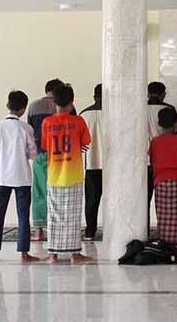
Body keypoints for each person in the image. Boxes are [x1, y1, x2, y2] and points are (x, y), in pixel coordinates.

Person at [42, 84, 93, 264]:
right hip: (74, 175)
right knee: (72, 215)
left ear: (54, 102)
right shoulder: (78, 121)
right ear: (72, 102)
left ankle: (52, 255)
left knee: (54, 214)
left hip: (54, 175)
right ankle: (74, 255)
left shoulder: (47, 123)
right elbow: (86, 144)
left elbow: (45, 147)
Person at [0, 90, 39, 263]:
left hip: (0, 176)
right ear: (23, 109)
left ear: (8, 105)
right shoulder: (25, 128)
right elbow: (33, 154)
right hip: (22, 177)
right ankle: (24, 254)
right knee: (23, 215)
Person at [26, 78, 63, 241]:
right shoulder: (66, 104)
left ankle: (39, 230)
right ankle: (58, 229)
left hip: (40, 153)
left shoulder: (34, 106)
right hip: (61, 155)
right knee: (60, 191)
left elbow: (30, 130)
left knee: (40, 191)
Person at [148, 106, 177, 245]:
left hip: (160, 182)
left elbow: (153, 160)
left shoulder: (154, 141)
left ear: (159, 124)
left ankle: (164, 241)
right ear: (175, 124)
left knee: (163, 214)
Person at [146, 81, 175, 223]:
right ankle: (164, 228)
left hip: (144, 160)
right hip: (163, 161)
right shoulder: (169, 109)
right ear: (163, 94)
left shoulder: (139, 109)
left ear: (147, 93)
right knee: (165, 200)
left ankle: (142, 229)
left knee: (144, 199)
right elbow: (175, 133)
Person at [79, 84, 103, 241]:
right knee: (116, 200)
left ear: (94, 96)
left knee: (91, 201)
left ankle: (90, 231)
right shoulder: (117, 112)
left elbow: (80, 143)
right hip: (114, 164)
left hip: (92, 164)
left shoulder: (84, 115)